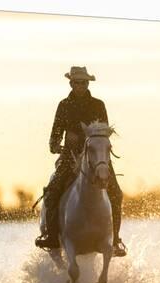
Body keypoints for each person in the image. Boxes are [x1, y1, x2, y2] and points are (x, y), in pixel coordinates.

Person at [35, 66, 127, 257]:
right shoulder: (63, 105)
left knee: (116, 194)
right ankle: (52, 237)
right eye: (77, 82)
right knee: (52, 192)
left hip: (97, 157)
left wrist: (85, 140)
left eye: (83, 82)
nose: (80, 86)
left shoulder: (98, 105)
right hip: (70, 157)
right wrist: (59, 146)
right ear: (71, 83)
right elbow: (54, 139)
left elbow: (104, 132)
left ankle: (115, 240)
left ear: (87, 84)